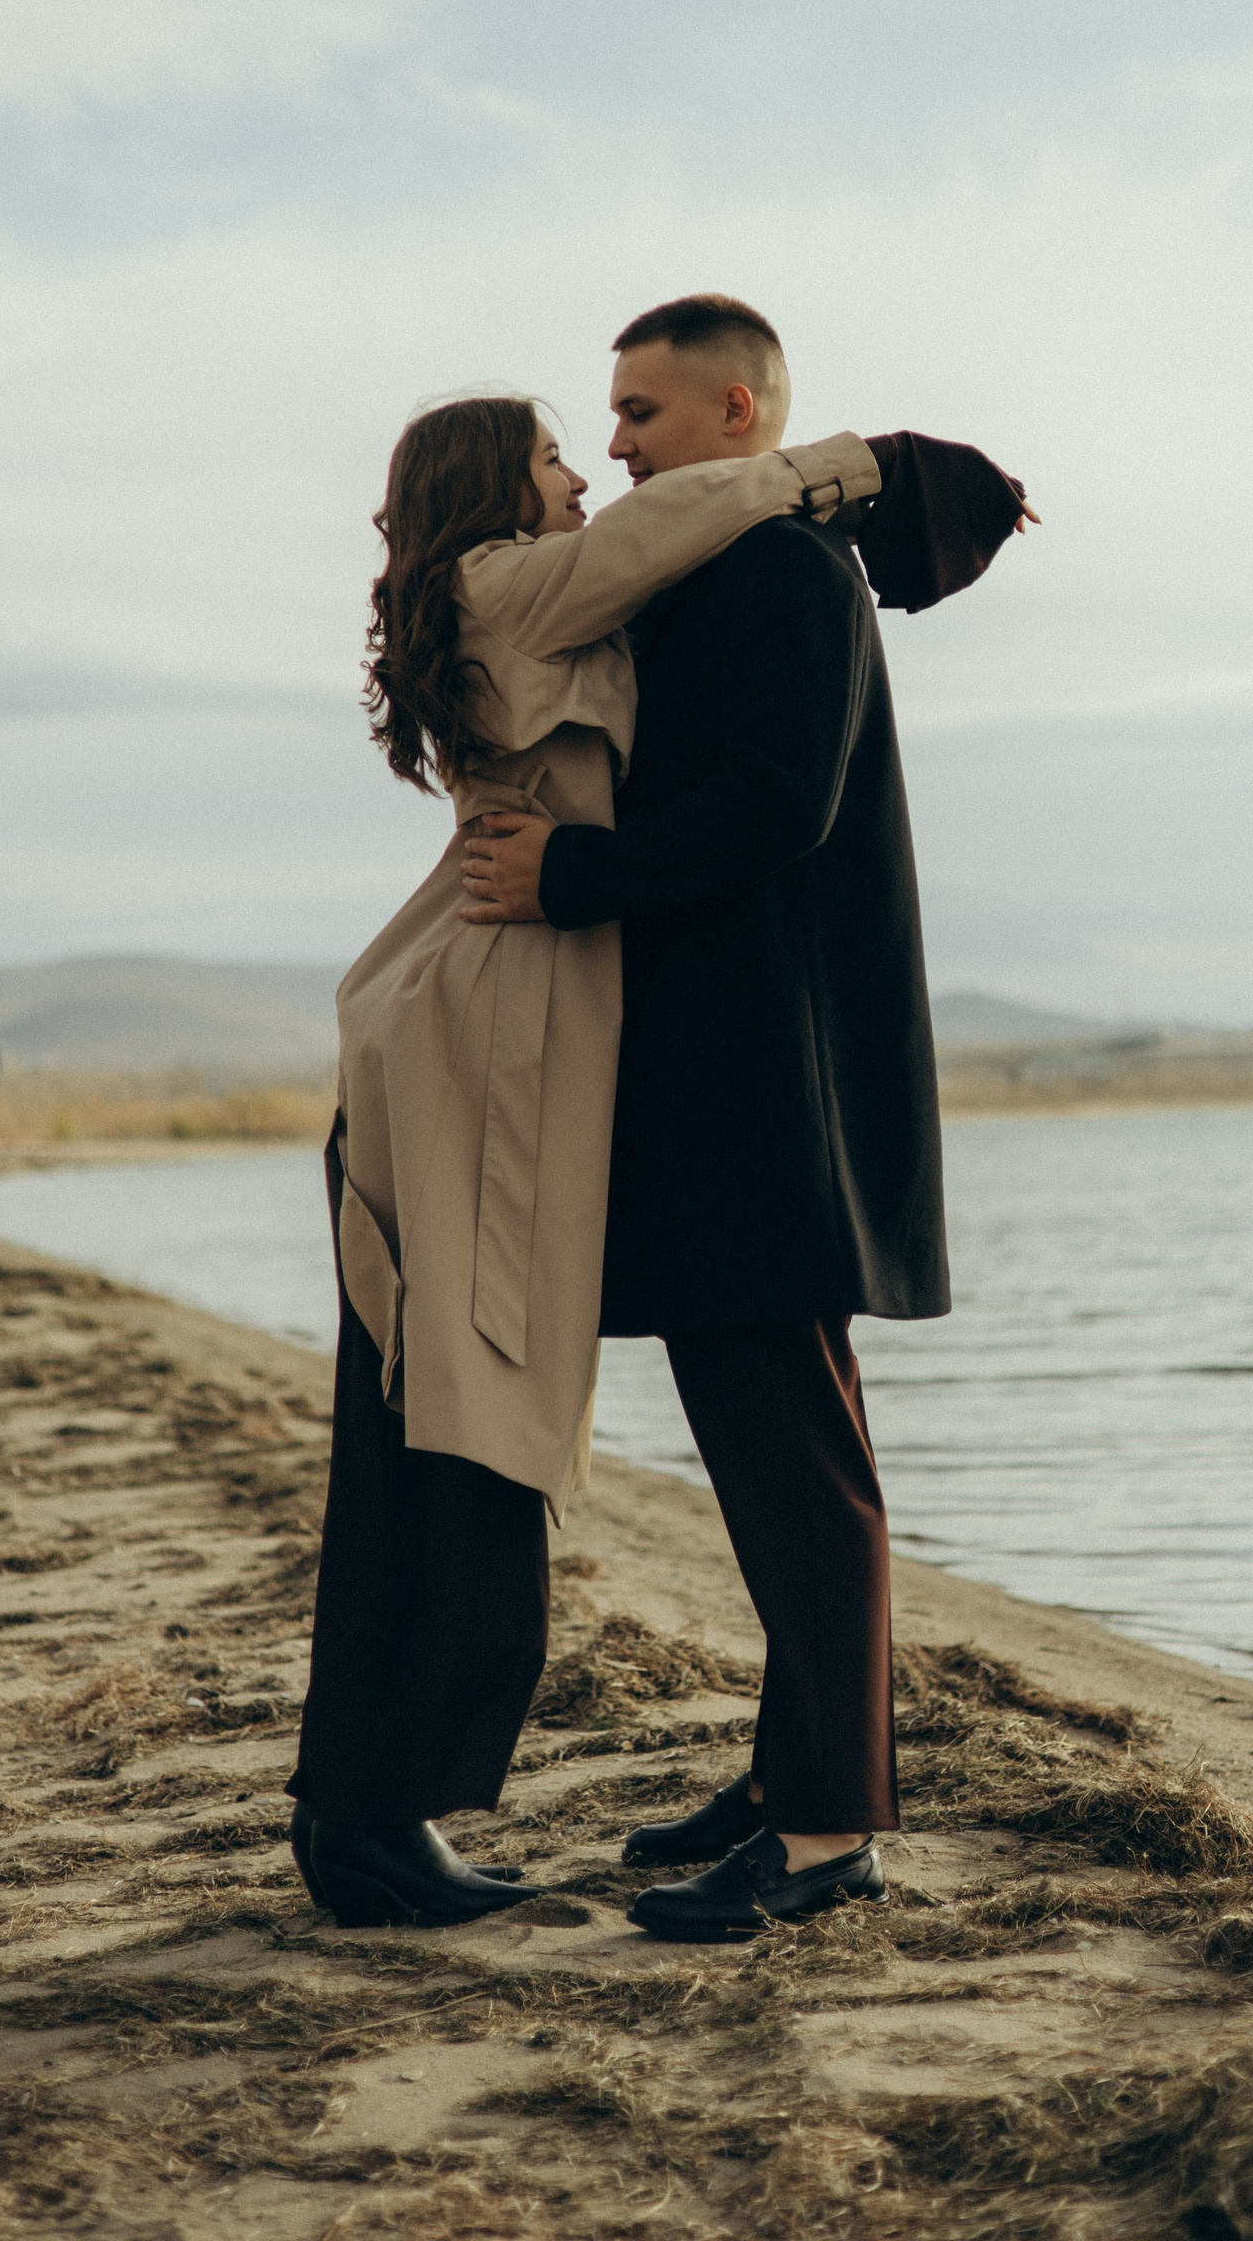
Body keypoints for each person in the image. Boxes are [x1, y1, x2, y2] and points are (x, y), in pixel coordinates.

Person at [461, 295, 1031, 1941]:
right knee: (783, 1458)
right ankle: (796, 1776)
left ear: (736, 413)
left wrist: (572, 872)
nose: (616, 444)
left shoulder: (783, 567)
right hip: (731, 1084)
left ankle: (829, 1835)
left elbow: (781, 806)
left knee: (798, 1472)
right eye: (608, 416)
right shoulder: (713, 567)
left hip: (775, 1092)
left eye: (639, 413)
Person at [287, 387, 884, 1927]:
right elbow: (684, 511)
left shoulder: (513, 596)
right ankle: (367, 1819)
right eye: (558, 450)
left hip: (487, 1016)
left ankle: (371, 1812)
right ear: (494, 485)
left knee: (456, 1403)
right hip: (476, 1026)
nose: (589, 473)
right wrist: (857, 468)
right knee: (463, 1405)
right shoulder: (507, 579)